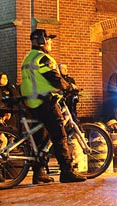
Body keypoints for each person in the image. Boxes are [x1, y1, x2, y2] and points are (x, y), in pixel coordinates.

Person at [20, 29, 86, 183]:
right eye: (48, 39)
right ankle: (67, 172)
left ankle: (39, 173)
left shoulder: (28, 58)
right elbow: (54, 78)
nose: (51, 43)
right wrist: (69, 87)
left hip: (32, 102)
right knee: (60, 135)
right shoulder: (43, 58)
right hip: (46, 101)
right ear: (41, 41)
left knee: (40, 139)